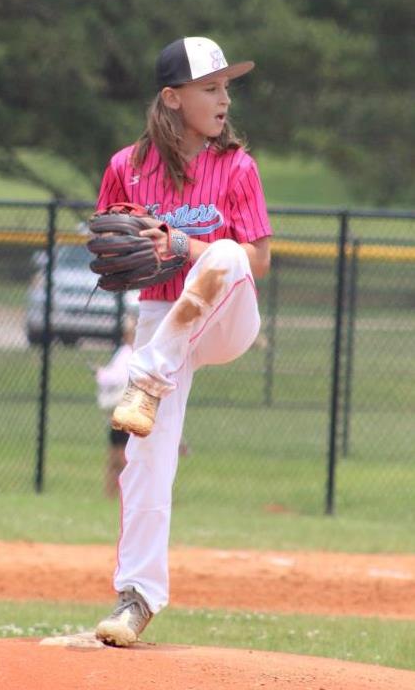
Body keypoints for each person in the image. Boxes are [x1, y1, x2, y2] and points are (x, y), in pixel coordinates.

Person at [94, 36, 272, 647]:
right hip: (161, 315)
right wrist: (126, 251)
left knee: (226, 253)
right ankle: (136, 598)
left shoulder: (237, 166)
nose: (225, 99)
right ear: (172, 98)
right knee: (146, 460)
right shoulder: (127, 166)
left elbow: (258, 259)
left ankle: (146, 380)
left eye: (226, 87)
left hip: (225, 315)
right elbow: (109, 244)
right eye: (210, 88)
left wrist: (181, 245)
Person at [94, 314, 136, 498]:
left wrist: (100, 373)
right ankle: (111, 495)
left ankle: (123, 494)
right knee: (115, 456)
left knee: (120, 457)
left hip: (127, 409)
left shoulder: (128, 354)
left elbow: (115, 378)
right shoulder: (127, 353)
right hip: (124, 409)